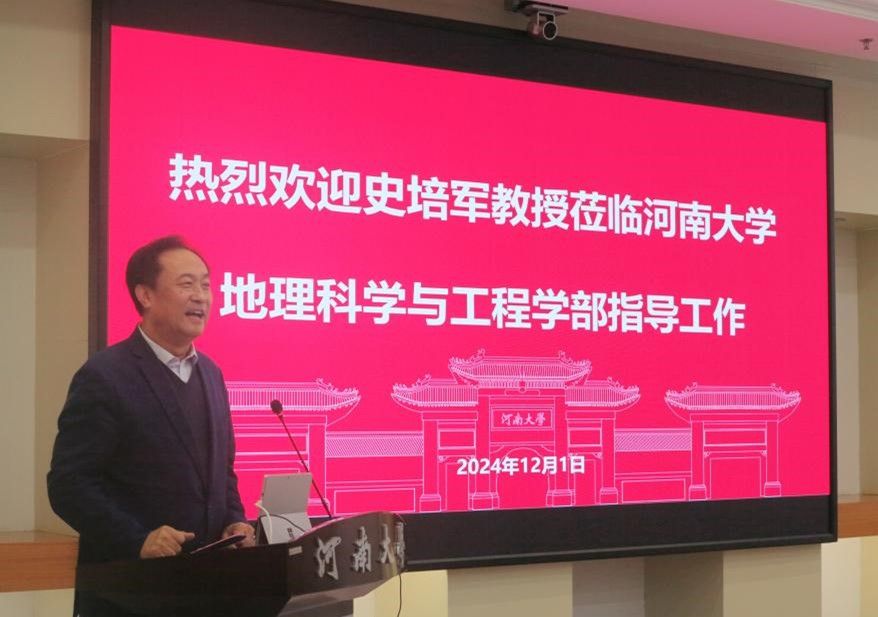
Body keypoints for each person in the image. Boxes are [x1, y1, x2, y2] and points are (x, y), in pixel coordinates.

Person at [47, 235, 255, 616]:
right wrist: (137, 539)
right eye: (187, 284)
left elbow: (222, 473)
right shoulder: (106, 375)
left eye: (206, 285)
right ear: (145, 295)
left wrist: (234, 520)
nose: (201, 297)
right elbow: (68, 484)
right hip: (129, 594)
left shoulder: (211, 374)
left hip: (207, 591)